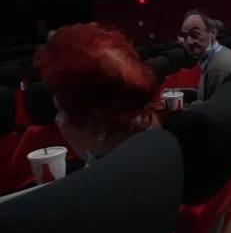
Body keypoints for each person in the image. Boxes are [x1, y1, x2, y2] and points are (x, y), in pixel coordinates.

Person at [33, 23, 161, 164]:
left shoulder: (106, 176)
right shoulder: (163, 145)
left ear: (96, 122)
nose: (57, 121)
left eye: (60, 110)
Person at [179, 9, 231, 101]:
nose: (188, 41)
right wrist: (182, 93)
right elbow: (208, 95)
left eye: (195, 35)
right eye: (185, 36)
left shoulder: (216, 67)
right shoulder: (222, 51)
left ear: (213, 33)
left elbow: (213, 107)